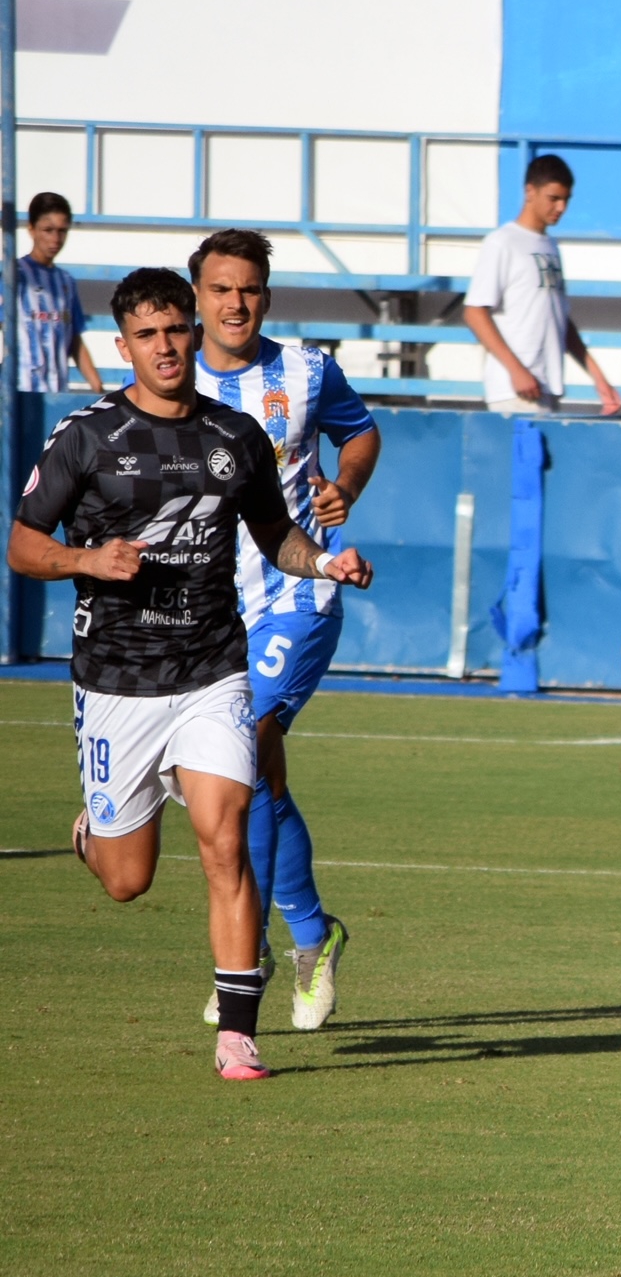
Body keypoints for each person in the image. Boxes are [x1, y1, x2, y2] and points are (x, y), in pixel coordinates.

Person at [8, 267, 372, 1082]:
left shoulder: (235, 434)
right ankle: (94, 833)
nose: (166, 346)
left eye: (176, 329)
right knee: (127, 881)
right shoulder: (86, 437)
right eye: (148, 334)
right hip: (116, 681)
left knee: (226, 839)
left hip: (213, 669)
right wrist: (87, 558)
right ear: (123, 346)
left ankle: (238, 1035)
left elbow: (278, 534)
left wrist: (323, 563)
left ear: (192, 331)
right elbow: (23, 544)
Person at [189, 228, 384, 1030]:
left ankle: (285, 948)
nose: (238, 304)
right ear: (196, 293)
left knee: (252, 737)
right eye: (222, 289)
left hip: (295, 596)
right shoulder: (169, 381)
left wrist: (344, 486)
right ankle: (293, 940)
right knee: (241, 781)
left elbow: (362, 431)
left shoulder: (305, 369)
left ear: (266, 295)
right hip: (202, 613)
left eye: (252, 290)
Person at [463, 153, 621, 418]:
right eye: (554, 198)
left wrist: (597, 377)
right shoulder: (502, 242)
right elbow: (475, 312)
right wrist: (516, 371)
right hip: (516, 390)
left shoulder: (551, 246)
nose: (561, 208)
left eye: (566, 200)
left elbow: (559, 319)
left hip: (546, 386)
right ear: (530, 191)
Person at [16, 192, 105, 395]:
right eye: (48, 230)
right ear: (31, 229)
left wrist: (97, 387)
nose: (56, 239)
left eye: (62, 231)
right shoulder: (14, 277)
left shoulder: (66, 282)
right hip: (19, 392)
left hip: (57, 393)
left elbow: (75, 339)